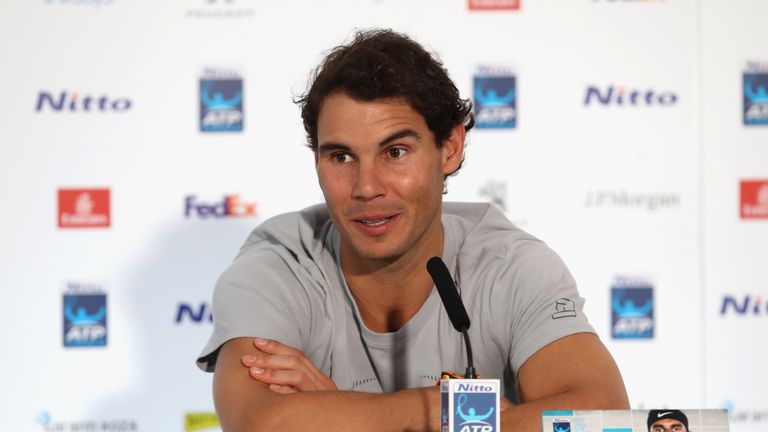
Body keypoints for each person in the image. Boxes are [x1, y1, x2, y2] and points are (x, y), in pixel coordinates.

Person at [196, 28, 629, 431]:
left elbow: (601, 415)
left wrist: (341, 413)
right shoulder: (279, 264)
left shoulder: (510, 265)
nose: (366, 188)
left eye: (395, 152)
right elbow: (262, 424)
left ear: (450, 149)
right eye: (341, 157)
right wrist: (441, 407)